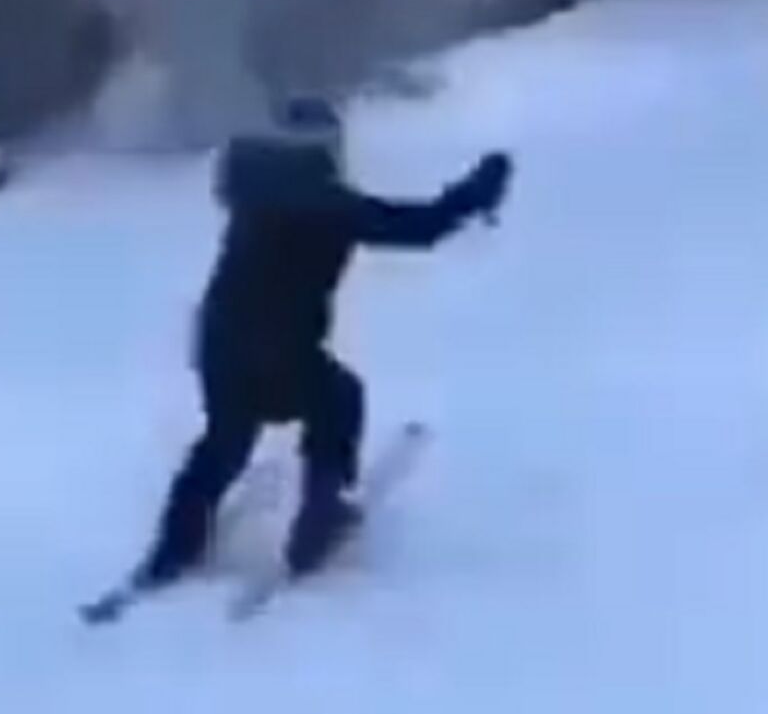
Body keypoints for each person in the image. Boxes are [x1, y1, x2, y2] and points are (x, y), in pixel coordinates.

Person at [133, 98, 512, 589]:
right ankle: (318, 522)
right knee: (338, 399)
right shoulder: (328, 205)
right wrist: (475, 193)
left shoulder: (253, 192)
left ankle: (175, 545)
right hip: (281, 349)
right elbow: (419, 227)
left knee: (226, 437)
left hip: (218, 346)